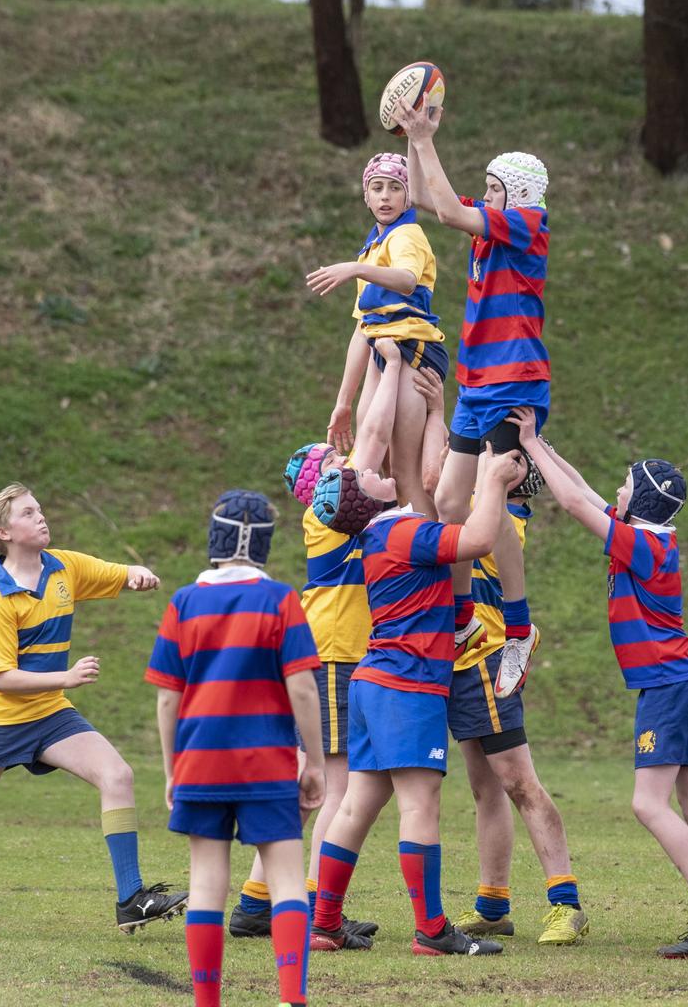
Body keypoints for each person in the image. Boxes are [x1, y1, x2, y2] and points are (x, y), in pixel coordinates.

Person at [230, 339, 441, 942]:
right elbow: (372, 439)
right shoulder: (332, 508)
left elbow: (369, 443)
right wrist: (391, 364)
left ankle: (257, 901)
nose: (347, 458)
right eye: (333, 458)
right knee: (337, 787)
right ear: (320, 480)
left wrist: (374, 368)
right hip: (334, 654)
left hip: (329, 654)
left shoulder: (340, 503)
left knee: (312, 781)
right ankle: (319, 908)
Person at [305, 443, 524, 956]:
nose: (378, 470)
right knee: (419, 804)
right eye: (368, 476)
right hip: (408, 686)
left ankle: (324, 923)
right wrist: (491, 482)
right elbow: (477, 537)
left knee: (358, 806)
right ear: (368, 500)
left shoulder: (380, 533)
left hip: (373, 683)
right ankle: (431, 929)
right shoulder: (402, 531)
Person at [510, 406, 688, 959]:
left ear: (641, 500)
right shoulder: (643, 536)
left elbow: (574, 502)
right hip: (686, 680)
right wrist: (537, 443)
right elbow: (579, 488)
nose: (615, 490)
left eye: (625, 484)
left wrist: (531, 442)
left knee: (649, 805)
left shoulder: (641, 545)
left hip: (669, 685)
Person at [0, 483, 187, 932]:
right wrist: (67, 677)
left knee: (117, 775)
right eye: (28, 513)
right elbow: (3, 678)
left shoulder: (64, 567)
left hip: (49, 714)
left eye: (40, 509)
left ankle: (131, 899)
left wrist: (138, 573)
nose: (41, 517)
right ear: (4, 531)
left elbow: (117, 572)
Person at [393, 94, 550, 689]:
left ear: (517, 195)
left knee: (494, 496)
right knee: (449, 502)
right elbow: (430, 200)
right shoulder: (492, 226)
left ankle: (517, 627)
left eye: (492, 189)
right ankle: (462, 620)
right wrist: (416, 132)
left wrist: (427, 142)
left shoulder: (528, 225)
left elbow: (457, 216)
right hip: (476, 384)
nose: (483, 197)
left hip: (516, 381)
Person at [146, 489, 326, 1007]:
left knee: (206, 882)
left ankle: (207, 1002)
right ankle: (292, 998)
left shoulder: (183, 603)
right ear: (265, 544)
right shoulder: (281, 599)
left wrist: (171, 770)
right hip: (266, 764)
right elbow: (303, 688)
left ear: (215, 539)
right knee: (288, 880)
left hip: (200, 763)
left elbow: (167, 700)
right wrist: (313, 761)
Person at [449, 481, 588, 945]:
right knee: (486, 788)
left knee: (519, 782)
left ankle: (566, 905)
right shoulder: (487, 506)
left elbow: (439, 482)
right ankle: (492, 907)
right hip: (464, 661)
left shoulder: (494, 513)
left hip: (486, 657)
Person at [306, 151, 448, 517]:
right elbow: (362, 330)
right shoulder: (373, 247)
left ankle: (429, 564)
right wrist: (342, 403)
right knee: (374, 469)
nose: (385, 196)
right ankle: (396, 554)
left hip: (411, 347)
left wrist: (355, 269)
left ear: (408, 196)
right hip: (381, 348)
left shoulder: (407, 235)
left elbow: (407, 280)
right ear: (366, 197)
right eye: (377, 188)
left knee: (405, 472)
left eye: (395, 188)